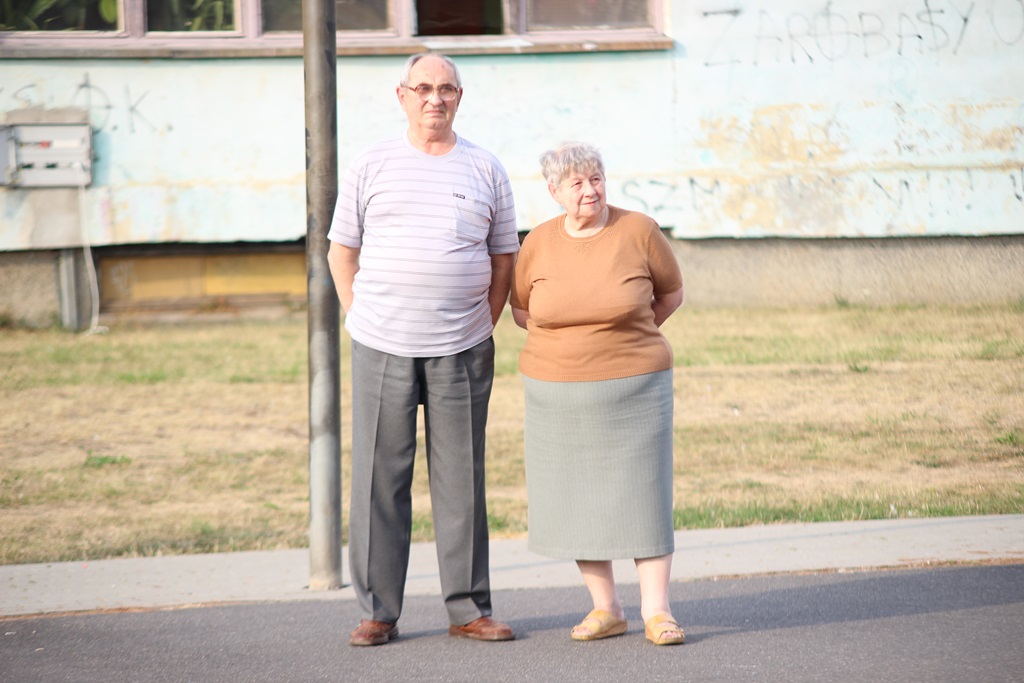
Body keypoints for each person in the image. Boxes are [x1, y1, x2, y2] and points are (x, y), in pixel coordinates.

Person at [327, 53, 520, 646]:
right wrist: (358, 316)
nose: (434, 99)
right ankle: (378, 611)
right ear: (402, 95)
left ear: (459, 97)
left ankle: (468, 609)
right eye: (423, 89)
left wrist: (481, 324)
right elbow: (342, 251)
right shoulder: (371, 164)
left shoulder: (486, 167)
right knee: (381, 479)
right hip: (382, 343)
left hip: (462, 348)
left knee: (462, 478)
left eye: (445, 89)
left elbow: (504, 257)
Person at [510, 142, 686, 646]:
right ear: (554, 192)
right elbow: (522, 310)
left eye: (596, 179)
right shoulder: (538, 242)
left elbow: (670, 292)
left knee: (644, 495)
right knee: (576, 500)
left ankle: (657, 611)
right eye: (577, 183)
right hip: (555, 394)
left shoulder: (638, 230)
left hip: (636, 388)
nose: (590, 190)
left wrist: (629, 336)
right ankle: (605, 608)